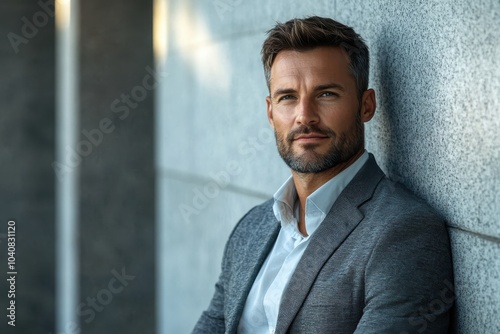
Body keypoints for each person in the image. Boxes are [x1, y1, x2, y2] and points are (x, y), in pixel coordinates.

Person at [192, 16, 454, 334]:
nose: (305, 116)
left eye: (326, 94)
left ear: (366, 105)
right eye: (287, 97)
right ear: (270, 112)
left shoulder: (403, 231)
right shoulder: (251, 228)